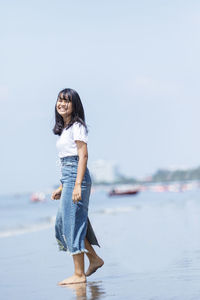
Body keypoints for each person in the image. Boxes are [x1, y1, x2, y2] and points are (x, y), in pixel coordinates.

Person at [51, 88, 104, 285]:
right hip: (69, 177)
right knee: (64, 223)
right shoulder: (64, 129)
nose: (61, 104)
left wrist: (77, 185)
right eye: (59, 100)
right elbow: (66, 163)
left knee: (72, 224)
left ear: (74, 105)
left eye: (67, 101)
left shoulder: (77, 126)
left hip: (77, 178)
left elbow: (82, 156)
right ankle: (94, 259)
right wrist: (62, 186)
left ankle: (79, 274)